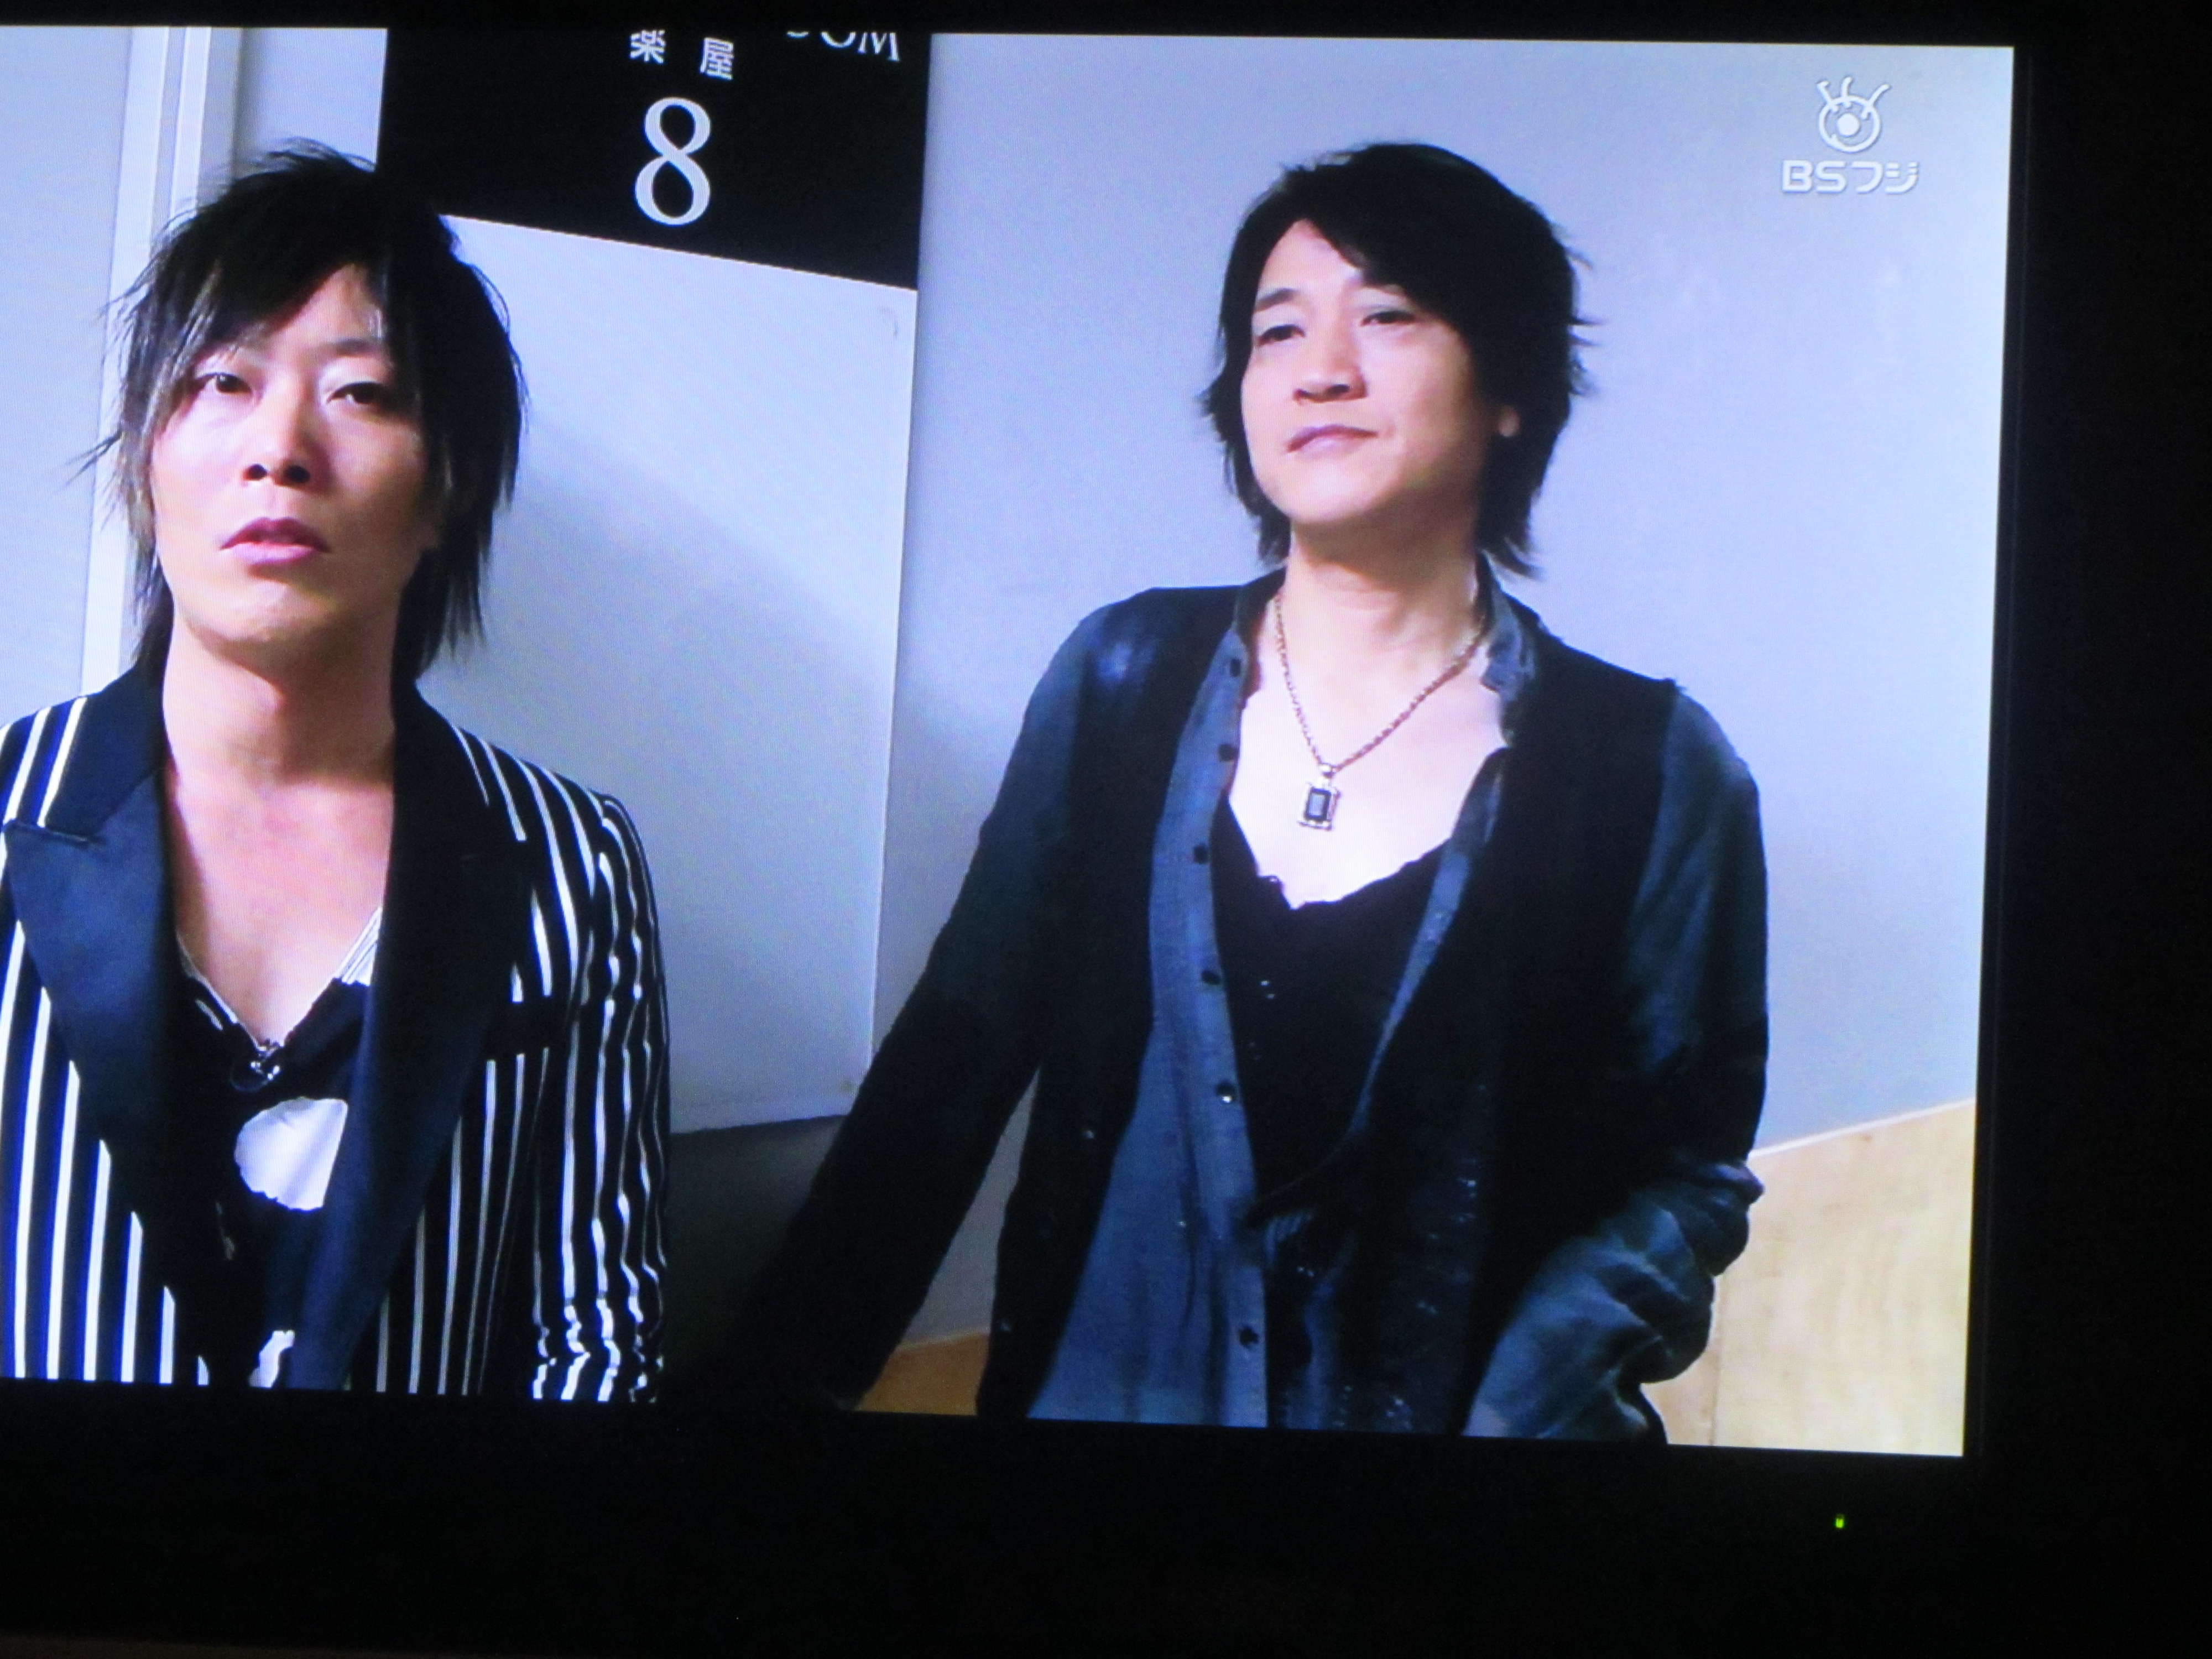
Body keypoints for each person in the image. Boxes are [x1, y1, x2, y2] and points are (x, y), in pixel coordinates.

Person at [716, 144, 1765, 1436]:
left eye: (1387, 315)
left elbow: (1685, 1169)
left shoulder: (1651, 765)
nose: (1320, 368)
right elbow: (958, 1054)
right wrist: (769, 1394)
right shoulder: (1123, 677)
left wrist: (1520, 1406)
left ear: (1510, 385)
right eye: (1277, 331)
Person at [0, 149, 666, 1399]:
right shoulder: (11, 811)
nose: (280, 448)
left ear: (446, 488)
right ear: (146, 461)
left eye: (361, 392)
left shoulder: (569, 864)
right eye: (223, 381)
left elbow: (592, 1336)